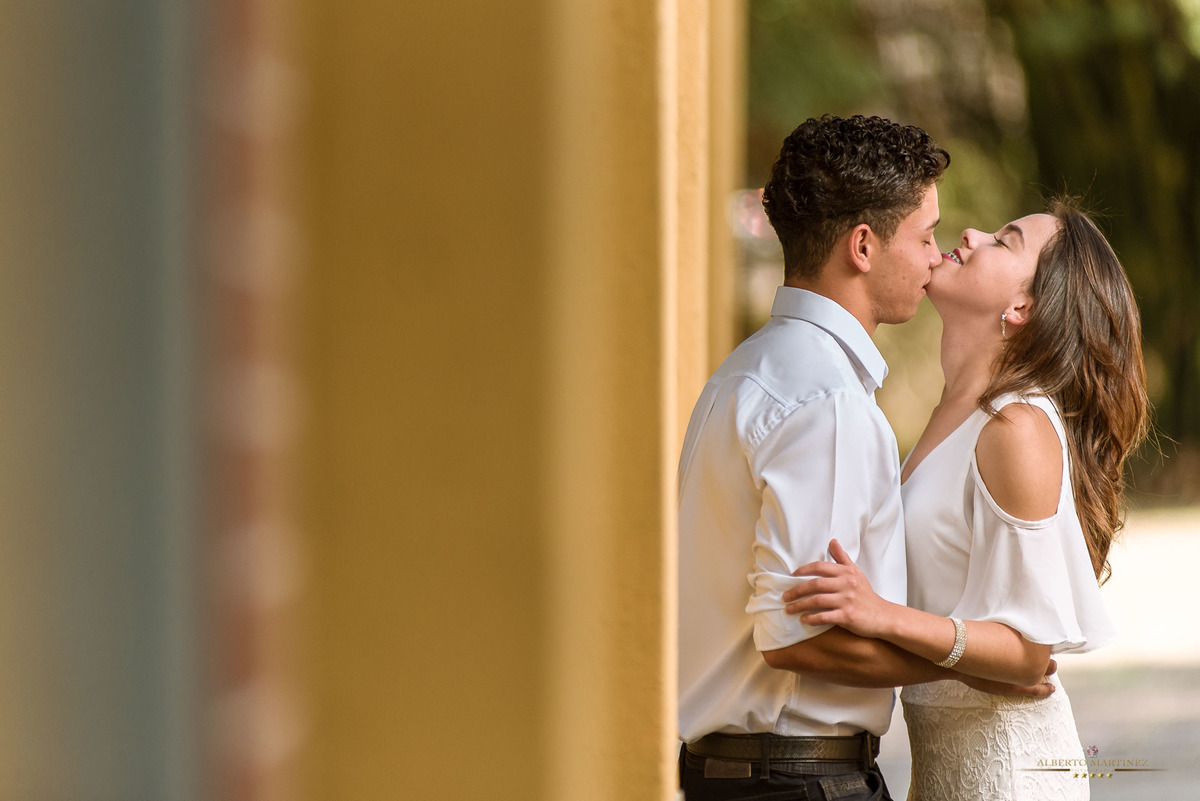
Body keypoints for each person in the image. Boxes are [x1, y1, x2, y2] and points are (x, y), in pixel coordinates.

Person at [677, 115, 1048, 801]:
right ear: (863, 246)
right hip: (792, 779)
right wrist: (968, 669)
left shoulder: (745, 371)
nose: (938, 256)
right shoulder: (828, 403)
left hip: (742, 774)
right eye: (926, 235)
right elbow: (795, 638)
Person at [781, 198, 1149, 800]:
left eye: (1004, 242)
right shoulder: (954, 414)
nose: (972, 234)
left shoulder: (1016, 427)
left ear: (1022, 307)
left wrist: (882, 616)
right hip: (944, 763)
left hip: (1008, 769)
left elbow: (1030, 655)